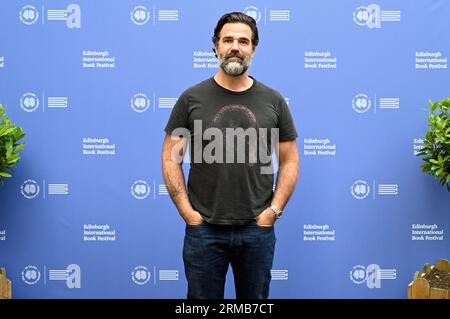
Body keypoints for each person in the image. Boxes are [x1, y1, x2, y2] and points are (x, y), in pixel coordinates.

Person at [161, 12, 299, 299]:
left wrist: (272, 213)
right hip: (204, 231)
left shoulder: (273, 101)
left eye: (243, 41)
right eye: (228, 40)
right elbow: (170, 157)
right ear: (216, 46)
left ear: (253, 49)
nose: (235, 46)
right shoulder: (191, 99)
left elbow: (290, 160)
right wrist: (189, 214)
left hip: (256, 230)